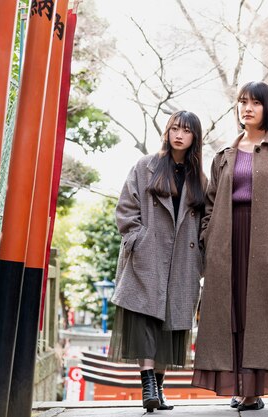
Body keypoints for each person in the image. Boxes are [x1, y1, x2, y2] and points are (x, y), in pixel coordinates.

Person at [191, 81, 268, 411]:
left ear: (267, 109)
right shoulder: (224, 156)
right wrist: (208, 236)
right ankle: (239, 385)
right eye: (243, 102)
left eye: (255, 103)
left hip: (266, 243)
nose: (247, 108)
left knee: (261, 315)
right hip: (226, 243)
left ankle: (252, 390)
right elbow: (211, 203)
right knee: (231, 314)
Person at [109, 110, 206, 412]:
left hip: (182, 262)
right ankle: (148, 384)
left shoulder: (198, 177)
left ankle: (159, 389)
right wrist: (138, 239)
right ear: (167, 131)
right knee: (145, 322)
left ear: (194, 137)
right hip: (148, 257)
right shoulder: (145, 166)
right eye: (175, 128)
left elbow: (206, 221)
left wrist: (200, 257)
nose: (179, 135)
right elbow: (126, 208)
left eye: (186, 130)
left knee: (171, 327)